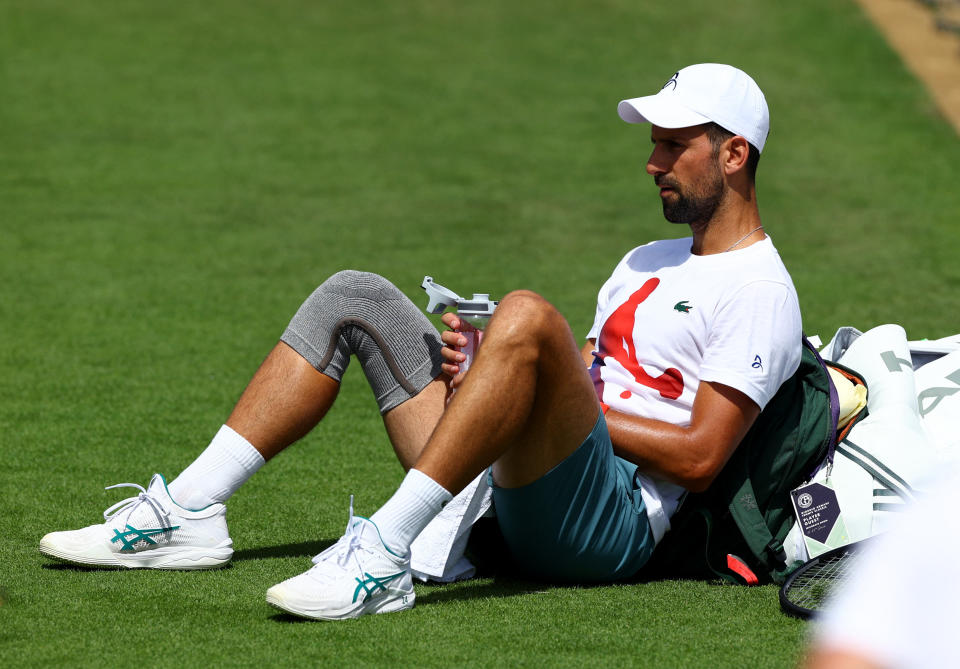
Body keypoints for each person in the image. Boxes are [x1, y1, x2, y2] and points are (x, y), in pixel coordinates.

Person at [39, 63, 803, 621]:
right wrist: (496, 379)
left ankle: (384, 555)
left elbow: (702, 457)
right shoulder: (647, 259)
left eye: (673, 146)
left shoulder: (759, 288)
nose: (652, 163)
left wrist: (534, 384)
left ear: (733, 154)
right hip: (540, 485)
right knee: (357, 295)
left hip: (607, 530)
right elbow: (593, 381)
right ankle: (189, 511)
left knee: (531, 312)